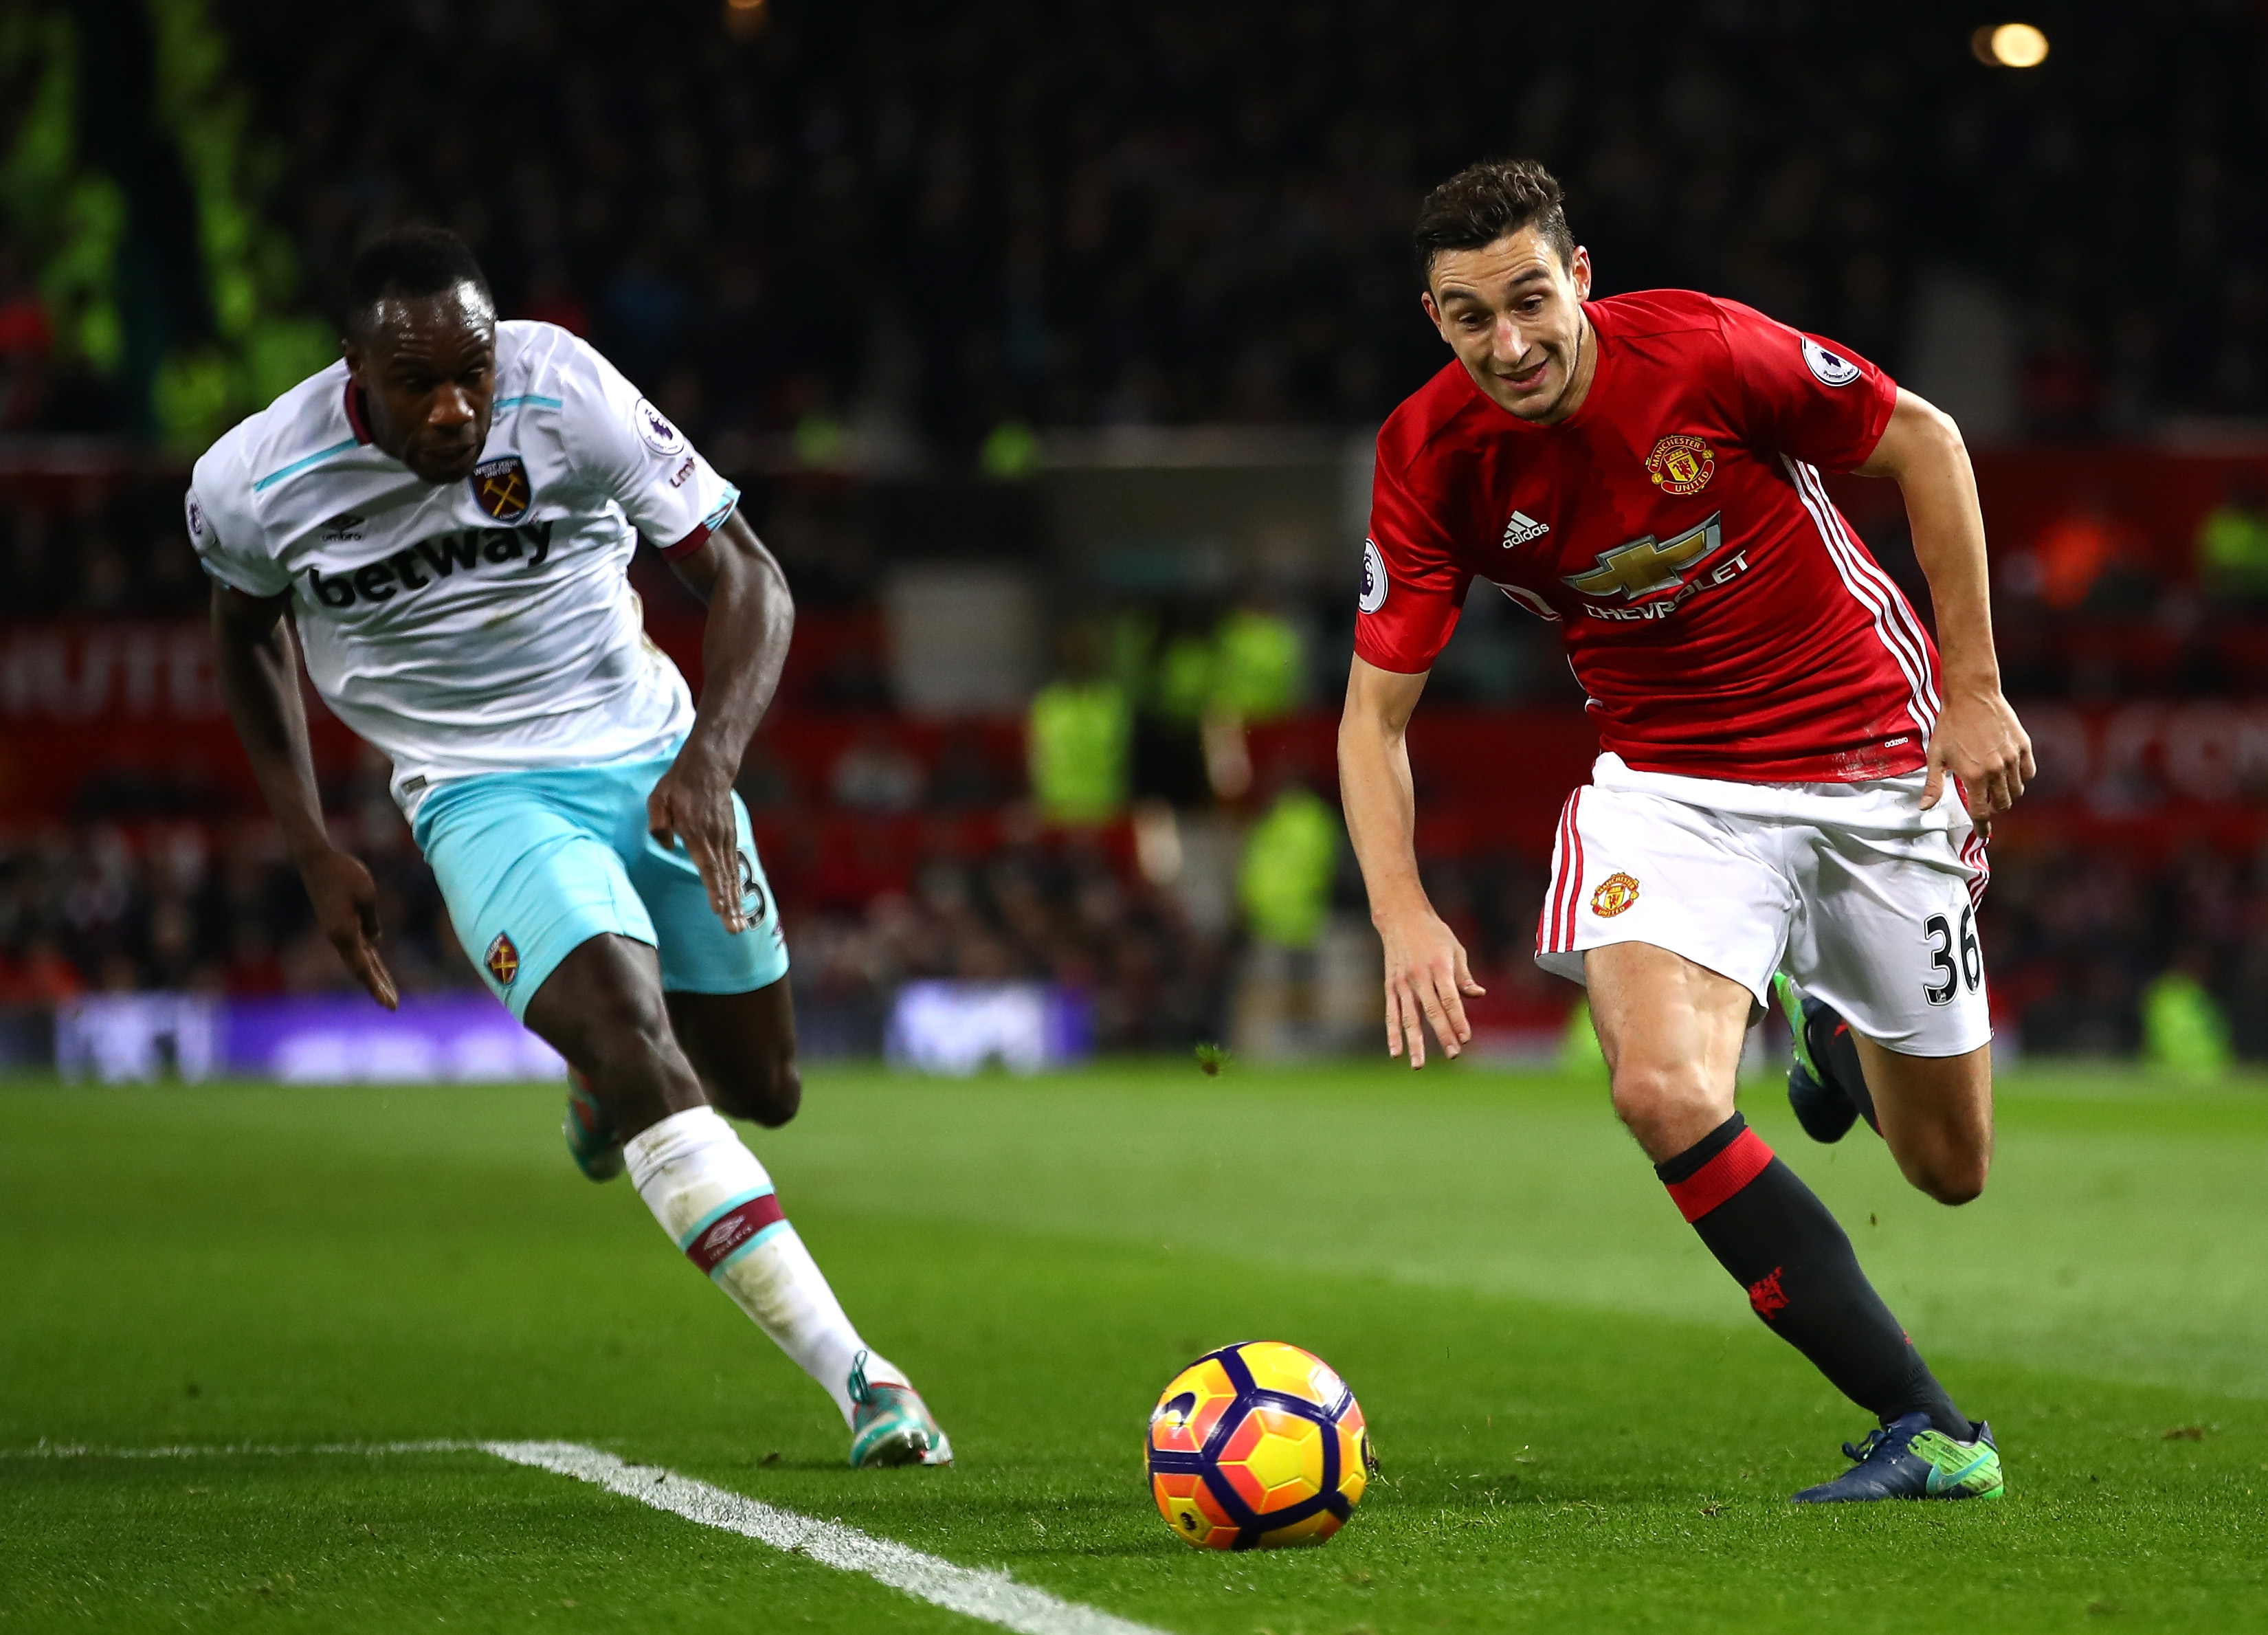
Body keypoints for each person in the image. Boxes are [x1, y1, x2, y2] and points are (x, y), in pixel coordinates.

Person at [188, 227, 949, 1468]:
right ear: (352, 374)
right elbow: (245, 632)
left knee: (766, 1089)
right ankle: (865, 1379)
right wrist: (312, 844)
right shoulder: (256, 481)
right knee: (647, 1053)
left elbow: (752, 577)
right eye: (418, 384)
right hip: (480, 791)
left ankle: (601, 1088)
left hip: (653, 756)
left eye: (471, 373)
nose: (455, 407)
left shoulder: (564, 390)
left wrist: (711, 758)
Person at [1338, 160, 2033, 1503]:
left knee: (1950, 1166)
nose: (1513, 342)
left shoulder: (1705, 348)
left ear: (1580, 276)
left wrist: (1978, 688)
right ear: (1435, 318)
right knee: (1659, 1087)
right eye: (1472, 316)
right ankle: (1929, 1425)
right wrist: (1400, 909)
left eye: (1532, 299)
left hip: (1868, 753)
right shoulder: (1429, 455)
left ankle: (1827, 1025)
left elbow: (1928, 441)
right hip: (1669, 782)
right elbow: (1373, 718)